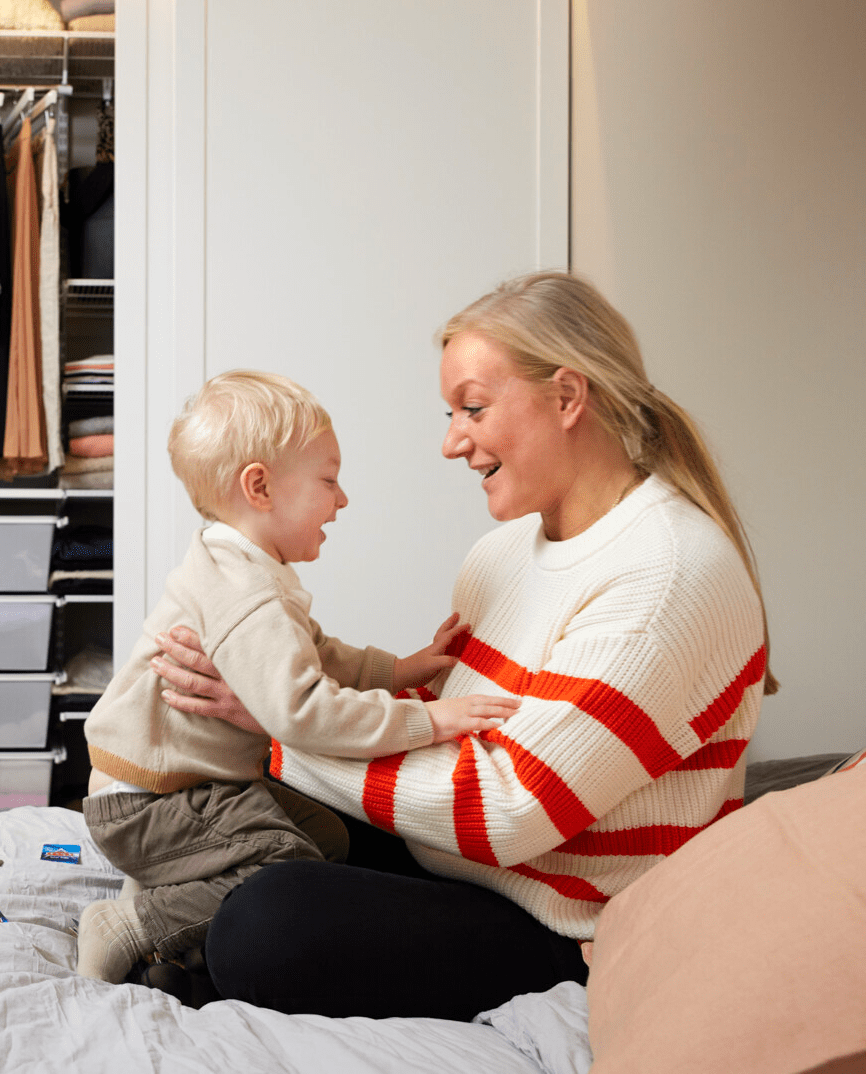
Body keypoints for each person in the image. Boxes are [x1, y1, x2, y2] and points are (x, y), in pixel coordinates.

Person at [152, 271, 775, 1021]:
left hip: (559, 924)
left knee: (267, 924)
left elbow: (509, 810)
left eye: (472, 408)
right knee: (208, 814)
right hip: (453, 863)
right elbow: (449, 717)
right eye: (451, 412)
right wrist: (263, 695)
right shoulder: (503, 554)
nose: (452, 442)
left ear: (568, 397)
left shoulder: (666, 575)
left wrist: (279, 730)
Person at [77, 369, 517, 985]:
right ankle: (136, 924)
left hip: (172, 791)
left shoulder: (242, 566)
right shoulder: (248, 594)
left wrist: (401, 669)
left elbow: (317, 655)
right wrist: (429, 719)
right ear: (259, 487)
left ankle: (178, 899)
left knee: (323, 838)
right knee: (284, 862)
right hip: (153, 803)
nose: (342, 500)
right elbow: (304, 711)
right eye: (329, 480)